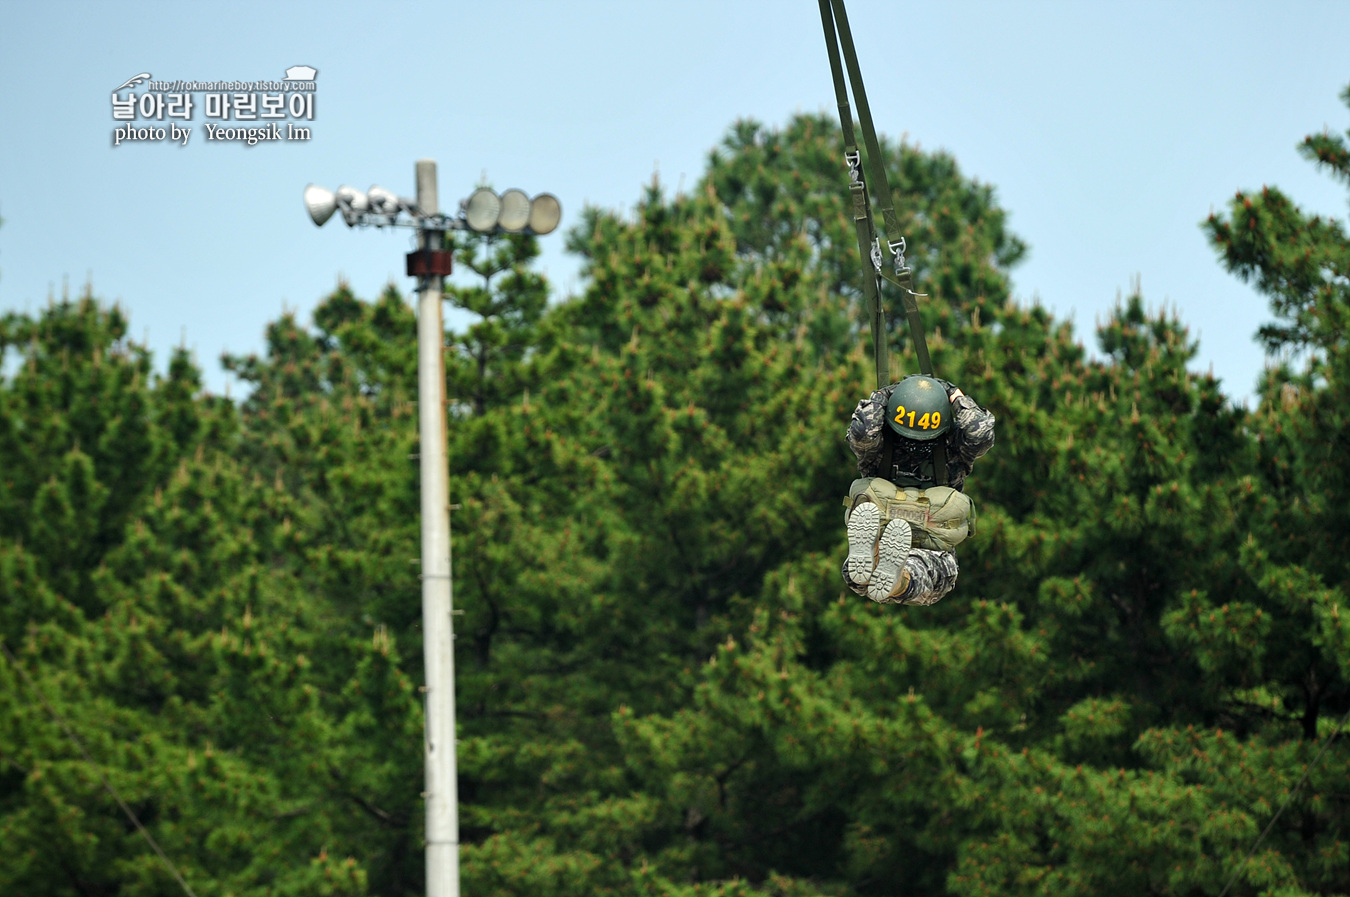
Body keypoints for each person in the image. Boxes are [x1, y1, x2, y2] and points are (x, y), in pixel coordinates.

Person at [842, 374, 995, 606]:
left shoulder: (876, 448)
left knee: (857, 576)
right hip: (932, 553)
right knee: (925, 574)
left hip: (883, 540)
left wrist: (883, 395)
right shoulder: (954, 450)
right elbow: (979, 432)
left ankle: (875, 559)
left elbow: (863, 430)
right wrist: (954, 394)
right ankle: (899, 581)